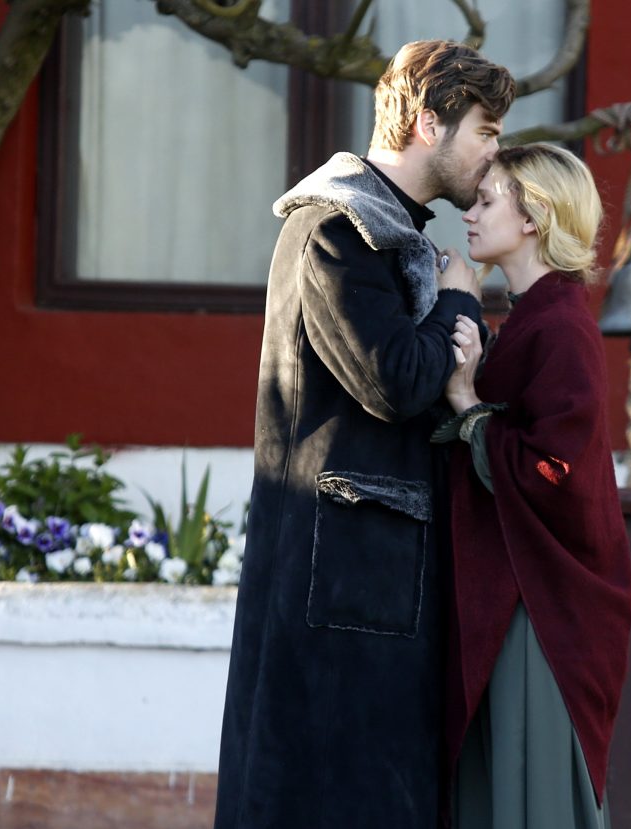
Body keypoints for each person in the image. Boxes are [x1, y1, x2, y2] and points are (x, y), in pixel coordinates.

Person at [213, 40, 515, 829]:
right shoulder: (335, 228)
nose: (494, 150)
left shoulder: (390, 233)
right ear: (428, 123)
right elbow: (393, 381)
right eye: (485, 130)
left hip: (365, 583)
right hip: (337, 592)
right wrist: (458, 303)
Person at [433, 144, 631, 828]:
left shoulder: (562, 327)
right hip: (520, 594)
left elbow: (556, 472)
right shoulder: (535, 318)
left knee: (533, 802)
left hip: (543, 611)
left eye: (487, 201)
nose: (469, 213)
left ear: (533, 217)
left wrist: (468, 404)